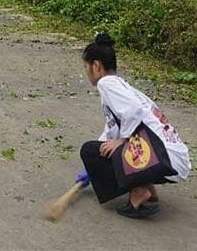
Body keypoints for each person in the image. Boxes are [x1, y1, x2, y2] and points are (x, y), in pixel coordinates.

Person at [78, 33, 191, 219]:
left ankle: (138, 191)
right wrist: (92, 170)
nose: (86, 71)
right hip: (172, 158)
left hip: (164, 158)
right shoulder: (123, 86)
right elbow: (112, 129)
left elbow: (133, 111)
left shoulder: (107, 84)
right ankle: (148, 186)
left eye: (86, 66)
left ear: (96, 66)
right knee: (99, 149)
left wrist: (122, 141)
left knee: (90, 150)